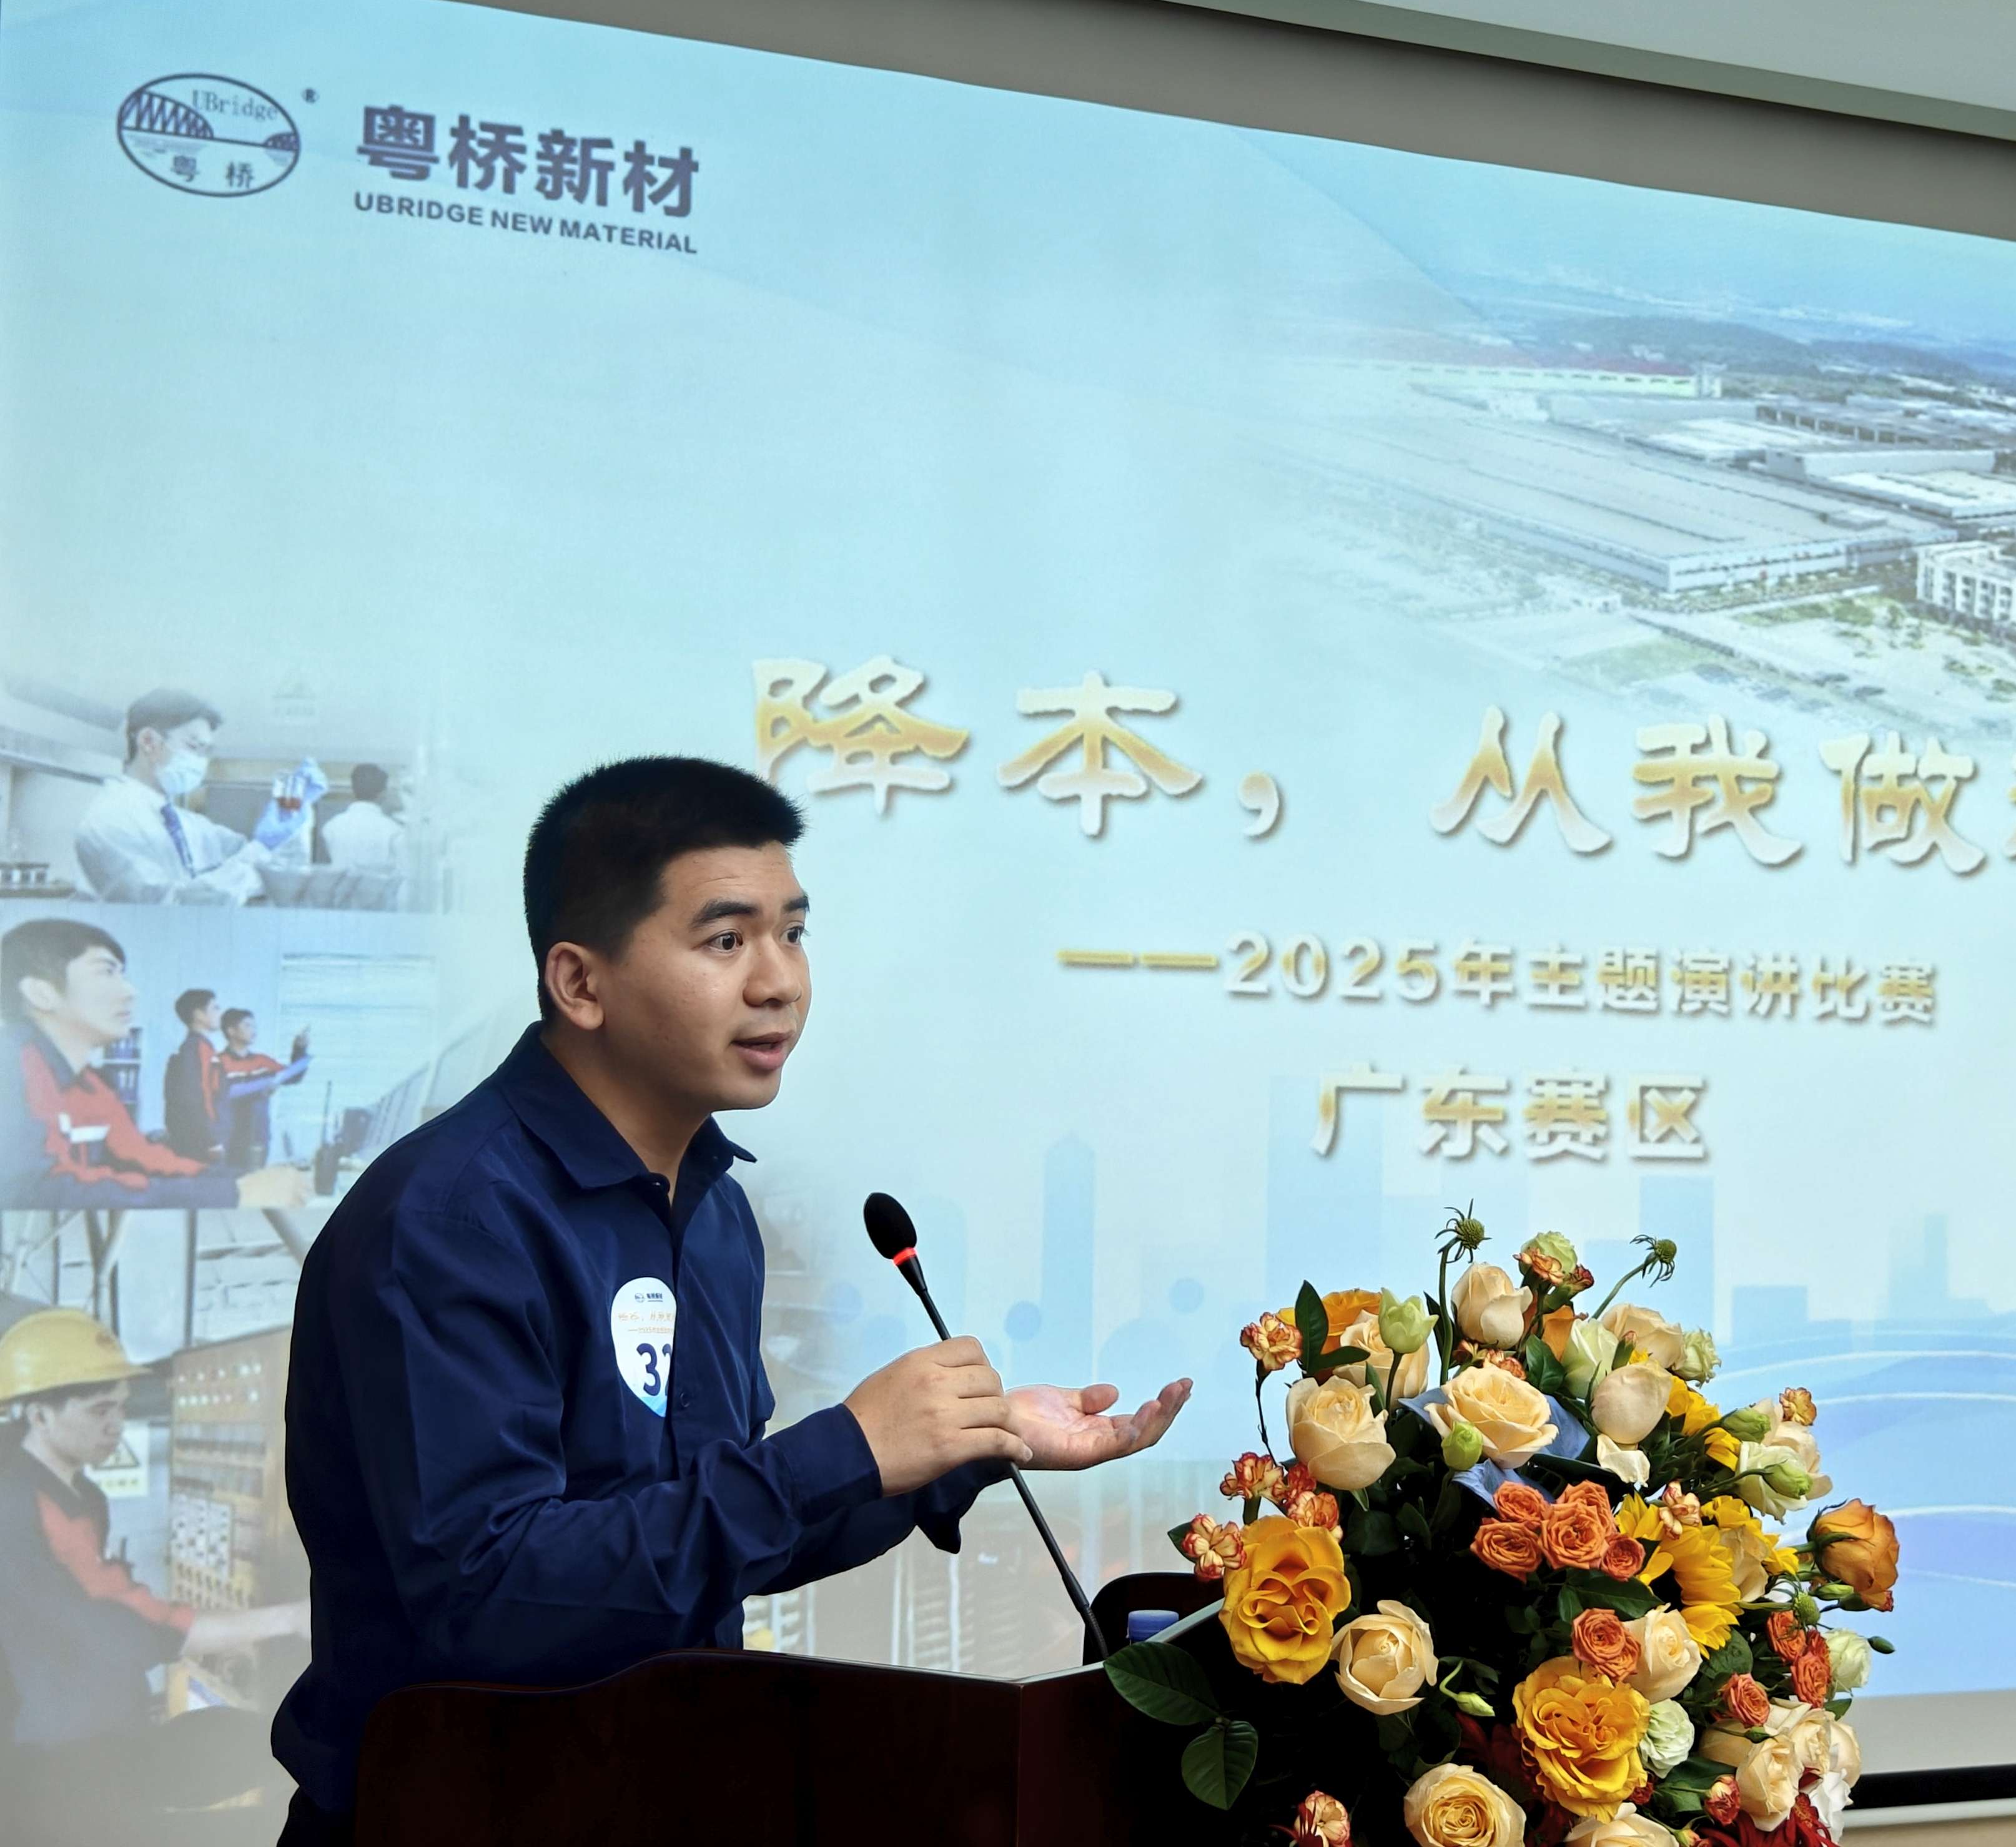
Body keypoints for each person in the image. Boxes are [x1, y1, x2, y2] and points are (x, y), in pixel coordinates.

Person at [272, 758, 1193, 1841]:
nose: (780, 983)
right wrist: (840, 1449)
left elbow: (711, 1541)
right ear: (580, 983)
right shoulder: (452, 1220)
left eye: (792, 933)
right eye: (725, 940)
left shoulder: (712, 1212)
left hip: (667, 1798)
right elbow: (493, 1597)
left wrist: (961, 1448)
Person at [0, 1309, 308, 1844]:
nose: (116, 1424)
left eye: (121, 1407)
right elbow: (132, 1626)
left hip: (96, 1736)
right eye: (100, 1410)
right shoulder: (24, 1504)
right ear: (39, 1415)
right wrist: (292, 1618)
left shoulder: (76, 1494)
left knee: (264, 1748)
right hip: (59, 1763)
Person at [1, 919, 312, 1219]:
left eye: (122, 975)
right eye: (106, 972)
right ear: (42, 993)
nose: (130, 991)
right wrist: (231, 1191)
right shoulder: (11, 1066)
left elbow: (138, 1155)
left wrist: (242, 1181)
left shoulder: (92, 1084)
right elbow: (32, 1190)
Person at [74, 691, 324, 905]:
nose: (200, 763)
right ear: (149, 741)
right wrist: (262, 848)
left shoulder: (190, 826)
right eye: (193, 747)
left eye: (206, 752)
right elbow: (173, 909)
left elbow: (275, 874)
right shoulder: (109, 822)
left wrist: (296, 814)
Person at [214, 1010, 312, 1173]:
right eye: (247, 1025)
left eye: (254, 1026)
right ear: (231, 1031)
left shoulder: (262, 1062)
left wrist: (300, 1049)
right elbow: (223, 1095)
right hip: (230, 1137)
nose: (254, 1030)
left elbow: (292, 1077)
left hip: (258, 1135)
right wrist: (260, 1091)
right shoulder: (219, 1062)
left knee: (256, 1181)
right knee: (231, 1182)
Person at [162, 988, 225, 1163]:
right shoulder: (196, 1049)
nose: (220, 1013)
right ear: (199, 1015)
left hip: (203, 1138)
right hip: (201, 1143)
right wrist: (211, 1141)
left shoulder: (203, 1047)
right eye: (215, 1008)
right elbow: (195, 1098)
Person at [319, 766, 403, 875]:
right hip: (378, 886)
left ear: (353, 790)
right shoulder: (394, 831)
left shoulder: (331, 827)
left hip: (341, 885)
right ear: (383, 793)